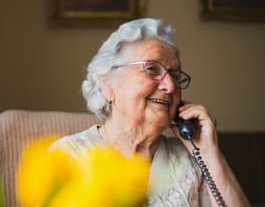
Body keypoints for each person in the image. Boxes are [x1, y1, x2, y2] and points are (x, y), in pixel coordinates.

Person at [50, 18, 250, 206]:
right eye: (152, 69)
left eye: (174, 75)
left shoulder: (193, 158)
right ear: (107, 84)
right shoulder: (67, 157)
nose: (170, 86)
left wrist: (209, 153)